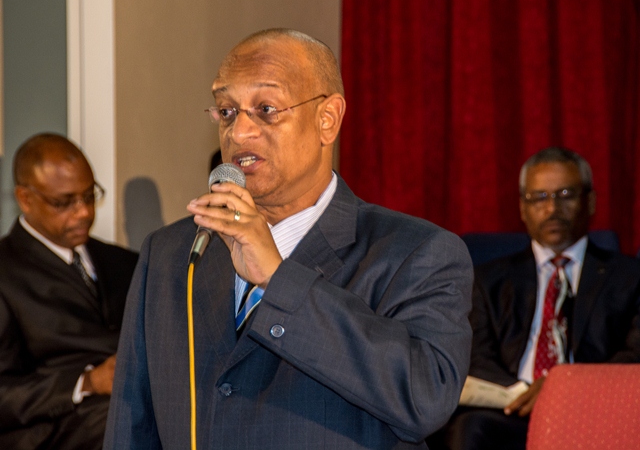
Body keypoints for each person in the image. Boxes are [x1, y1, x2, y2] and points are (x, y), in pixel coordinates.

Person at [104, 28, 473, 449]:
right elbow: (131, 426)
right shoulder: (172, 253)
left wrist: (279, 280)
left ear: (327, 119)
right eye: (226, 111)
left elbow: (425, 400)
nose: (239, 132)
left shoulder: (415, 252)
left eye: (265, 109)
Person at [431, 147, 640, 450]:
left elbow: (634, 354)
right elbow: (476, 356)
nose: (552, 208)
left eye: (565, 194)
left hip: (593, 410)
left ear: (590, 201)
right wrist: (525, 393)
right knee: (468, 429)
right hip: (512, 411)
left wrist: (564, 387)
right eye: (539, 197)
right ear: (522, 207)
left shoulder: (630, 277)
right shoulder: (489, 280)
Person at [0, 133, 139, 449]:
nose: (84, 212)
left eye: (89, 196)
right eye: (64, 203)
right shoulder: (6, 271)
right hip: (52, 429)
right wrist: (86, 382)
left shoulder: (125, 262)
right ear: (25, 198)